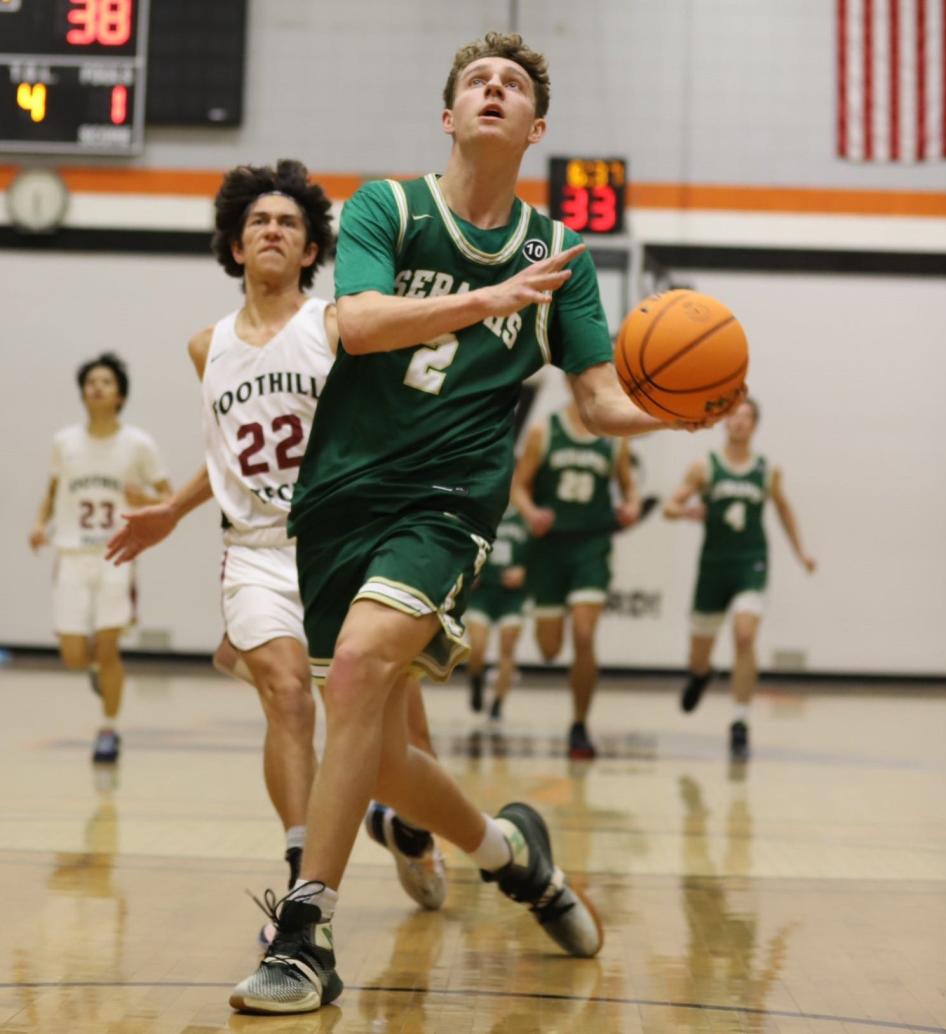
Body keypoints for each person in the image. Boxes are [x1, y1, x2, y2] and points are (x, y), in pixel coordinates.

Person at [229, 32, 726, 1015]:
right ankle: (512, 851)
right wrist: (491, 300)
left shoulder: (557, 258)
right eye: (477, 81)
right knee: (376, 745)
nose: (493, 91)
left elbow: (594, 399)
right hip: (340, 495)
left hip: (449, 498)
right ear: (448, 115)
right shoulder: (390, 206)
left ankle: (306, 930)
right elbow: (359, 321)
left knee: (367, 668)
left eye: (513, 87)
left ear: (536, 129)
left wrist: (673, 405)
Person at [104, 161, 446, 925]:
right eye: (258, 221)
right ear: (234, 246)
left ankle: (411, 831)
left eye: (288, 223)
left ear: (309, 250)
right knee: (286, 696)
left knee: (399, 737)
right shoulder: (207, 347)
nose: (272, 230)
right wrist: (172, 510)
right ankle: (301, 874)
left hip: (347, 539)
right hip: (257, 547)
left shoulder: (335, 327)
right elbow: (228, 453)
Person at [29, 352, 171, 764]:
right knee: (74, 655)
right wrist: (40, 525)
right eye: (91, 381)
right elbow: (52, 493)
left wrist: (142, 498)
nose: (97, 387)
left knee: (108, 648)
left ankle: (107, 730)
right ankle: (98, 674)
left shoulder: (139, 444)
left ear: (120, 395)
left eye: (106, 382)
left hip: (116, 556)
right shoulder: (64, 442)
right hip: (72, 554)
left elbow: (169, 498)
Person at [663, 398, 816, 757]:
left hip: (751, 563)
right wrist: (686, 512)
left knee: (745, 635)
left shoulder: (766, 470)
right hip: (714, 567)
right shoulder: (705, 467)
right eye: (734, 416)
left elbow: (784, 510)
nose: (739, 422)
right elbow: (669, 507)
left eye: (746, 417)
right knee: (699, 655)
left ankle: (740, 719)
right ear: (724, 423)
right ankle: (701, 675)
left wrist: (801, 553)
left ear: (755, 425)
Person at [512, 400, 641, 758]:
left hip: (591, 545)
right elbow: (518, 486)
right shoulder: (545, 430)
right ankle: (577, 719)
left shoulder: (615, 439)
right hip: (549, 548)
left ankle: (579, 726)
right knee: (550, 650)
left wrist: (632, 505)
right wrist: (531, 512)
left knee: (584, 635)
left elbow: (630, 488)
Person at [464, 504, 528, 720]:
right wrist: (469, 569)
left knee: (507, 647)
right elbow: (462, 541)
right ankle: (476, 680)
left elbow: (540, 550)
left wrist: (525, 570)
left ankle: (498, 702)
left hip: (512, 595)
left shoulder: (525, 513)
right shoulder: (482, 506)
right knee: (477, 646)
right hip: (483, 592)